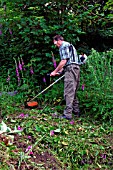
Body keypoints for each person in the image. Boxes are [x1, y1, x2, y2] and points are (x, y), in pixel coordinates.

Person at [50, 35, 80, 120]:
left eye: (55, 43)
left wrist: (54, 71)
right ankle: (76, 111)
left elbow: (64, 61)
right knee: (73, 90)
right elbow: (68, 61)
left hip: (71, 69)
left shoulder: (63, 46)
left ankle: (67, 114)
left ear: (58, 40)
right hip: (75, 68)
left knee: (68, 92)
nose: (56, 45)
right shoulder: (69, 45)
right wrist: (60, 71)